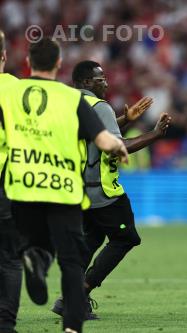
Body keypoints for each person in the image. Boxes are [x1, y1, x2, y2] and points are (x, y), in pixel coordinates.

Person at [0, 38, 128, 333]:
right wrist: (117, 147)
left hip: (22, 186)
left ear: (29, 63)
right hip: (63, 188)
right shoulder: (72, 99)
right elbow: (102, 137)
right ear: (59, 64)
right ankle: (72, 327)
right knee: (71, 260)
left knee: (33, 243)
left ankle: (38, 259)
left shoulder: (11, 90)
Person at [51, 60, 171, 319]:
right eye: (99, 77)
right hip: (103, 192)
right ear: (86, 82)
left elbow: (94, 136)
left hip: (76, 190)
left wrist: (124, 120)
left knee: (91, 239)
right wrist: (155, 134)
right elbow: (117, 147)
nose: (105, 81)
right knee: (125, 238)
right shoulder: (100, 106)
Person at [0, 29, 22, 333]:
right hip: (7, 182)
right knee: (9, 258)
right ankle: (5, 325)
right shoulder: (17, 89)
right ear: (4, 55)